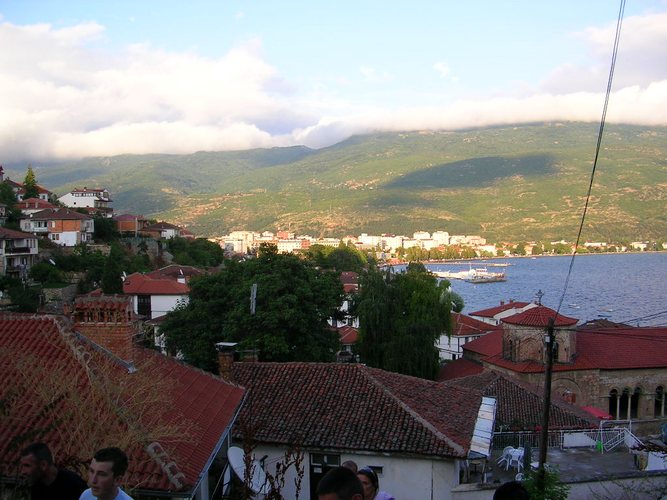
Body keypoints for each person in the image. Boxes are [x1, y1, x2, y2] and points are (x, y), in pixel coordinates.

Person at [20, 442, 87, 500]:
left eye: (27, 466)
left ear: (43, 465)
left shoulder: (74, 485)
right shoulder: (36, 488)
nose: (23, 471)